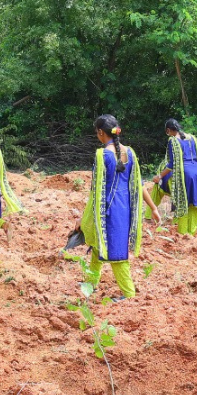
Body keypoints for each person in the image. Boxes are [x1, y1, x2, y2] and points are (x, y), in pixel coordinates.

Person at [77, 115, 162, 299]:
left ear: (101, 132)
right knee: (99, 246)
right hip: (124, 209)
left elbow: (95, 192)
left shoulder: (102, 155)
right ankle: (90, 284)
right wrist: (153, 207)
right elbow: (138, 184)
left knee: (117, 253)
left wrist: (83, 218)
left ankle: (129, 293)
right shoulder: (130, 153)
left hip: (109, 209)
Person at [154, 119, 197, 235]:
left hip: (185, 174)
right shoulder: (192, 138)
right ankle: (192, 234)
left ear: (168, 130)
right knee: (194, 205)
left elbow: (171, 164)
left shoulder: (173, 141)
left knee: (183, 204)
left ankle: (183, 234)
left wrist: (159, 176)